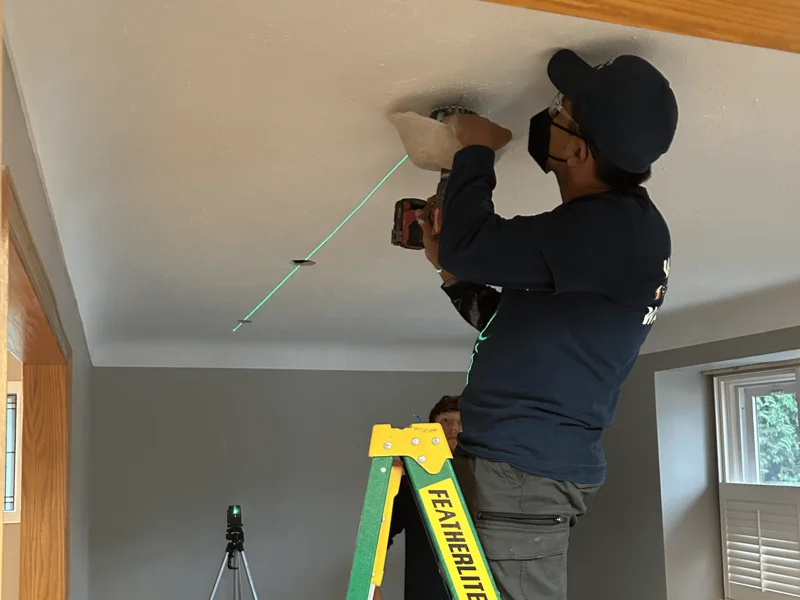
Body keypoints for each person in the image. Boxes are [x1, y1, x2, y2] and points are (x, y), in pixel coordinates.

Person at [415, 49, 677, 600]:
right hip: (518, 468)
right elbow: (506, 321)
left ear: (578, 150)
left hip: (523, 474)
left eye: (561, 109)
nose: (550, 114)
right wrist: (449, 268)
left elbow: (471, 245)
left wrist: (477, 148)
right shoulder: (606, 235)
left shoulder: (609, 234)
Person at [374, 395, 462, 600]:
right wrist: (372, 588)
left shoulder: (485, 483)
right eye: (445, 421)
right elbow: (378, 535)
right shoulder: (410, 486)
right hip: (425, 591)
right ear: (431, 430)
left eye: (460, 422)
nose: (453, 429)